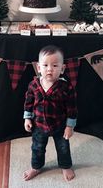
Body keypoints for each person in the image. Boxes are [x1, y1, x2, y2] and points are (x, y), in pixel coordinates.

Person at [23, 45, 77, 182]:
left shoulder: (66, 87)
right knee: (37, 148)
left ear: (62, 68)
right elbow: (28, 102)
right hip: (38, 125)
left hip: (59, 126)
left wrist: (69, 126)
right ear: (39, 67)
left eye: (54, 65)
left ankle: (65, 166)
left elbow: (72, 108)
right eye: (45, 65)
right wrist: (27, 119)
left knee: (63, 148)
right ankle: (36, 166)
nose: (49, 69)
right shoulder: (34, 85)